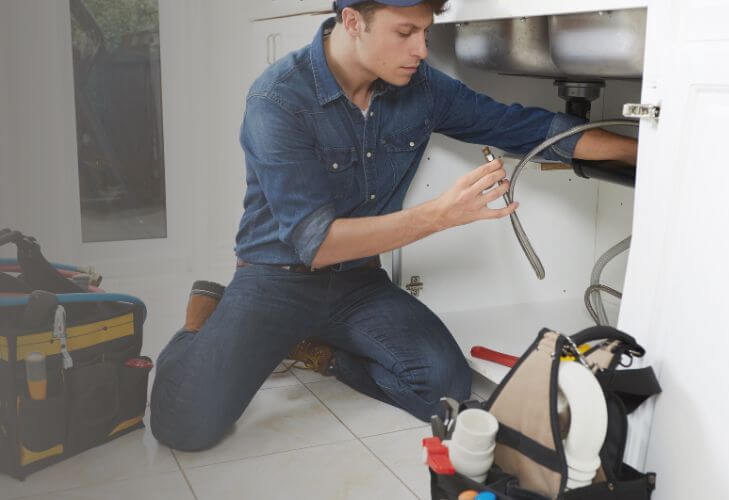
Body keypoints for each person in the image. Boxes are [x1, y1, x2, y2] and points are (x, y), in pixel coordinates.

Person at [150, 0, 637, 451]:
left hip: (356, 282)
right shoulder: (278, 100)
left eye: (424, 32)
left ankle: (318, 352)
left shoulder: (422, 87)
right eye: (406, 32)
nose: (421, 50)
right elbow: (314, 244)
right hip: (276, 278)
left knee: (445, 386)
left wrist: (649, 147)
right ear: (353, 22)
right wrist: (439, 215)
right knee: (184, 425)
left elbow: (524, 127)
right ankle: (203, 319)